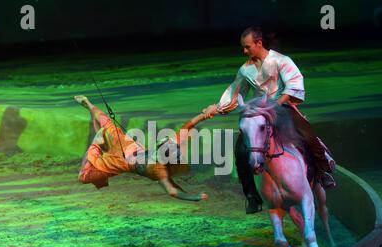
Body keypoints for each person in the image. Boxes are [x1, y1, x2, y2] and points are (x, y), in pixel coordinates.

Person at [202, 27, 336, 214]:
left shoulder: (281, 61)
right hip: (259, 112)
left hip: (282, 107)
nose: (244, 51)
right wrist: (216, 107)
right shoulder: (245, 69)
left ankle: (323, 172)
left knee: (307, 134)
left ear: (259, 43)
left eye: (247, 47)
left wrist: (275, 105)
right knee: (241, 149)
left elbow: (293, 84)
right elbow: (235, 92)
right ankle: (252, 196)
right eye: (243, 47)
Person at [74, 95, 209, 202]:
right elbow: (172, 191)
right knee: (83, 177)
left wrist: (205, 115)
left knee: (107, 124)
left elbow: (188, 125)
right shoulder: (160, 170)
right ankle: (96, 144)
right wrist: (194, 197)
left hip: (129, 147)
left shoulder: (167, 152)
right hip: (123, 160)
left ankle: (90, 106)